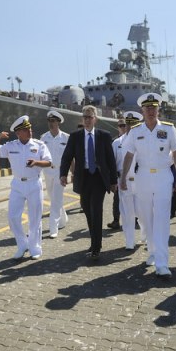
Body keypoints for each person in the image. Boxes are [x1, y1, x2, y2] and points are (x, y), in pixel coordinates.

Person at [121, 93, 176, 278]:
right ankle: (152, 251)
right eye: (147, 108)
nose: (150, 110)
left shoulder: (168, 129)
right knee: (146, 218)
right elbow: (129, 155)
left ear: (158, 109)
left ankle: (162, 264)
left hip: (163, 176)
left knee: (162, 219)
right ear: (142, 110)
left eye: (153, 107)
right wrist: (123, 177)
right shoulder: (135, 131)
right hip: (143, 176)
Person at [60, 105, 118, 260]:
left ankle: (96, 248)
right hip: (83, 177)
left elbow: (110, 160)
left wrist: (113, 181)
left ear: (95, 119)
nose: (87, 120)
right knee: (86, 209)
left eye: (89, 117)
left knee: (96, 210)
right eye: (84, 117)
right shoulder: (75, 136)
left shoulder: (104, 136)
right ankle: (94, 240)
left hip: (99, 177)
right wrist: (63, 174)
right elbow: (67, 156)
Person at [0, 115, 52, 260]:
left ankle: (35, 248)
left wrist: (36, 162)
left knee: (35, 218)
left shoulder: (39, 145)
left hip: (34, 183)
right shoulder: (11, 146)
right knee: (13, 217)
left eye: (29, 128)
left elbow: (49, 162)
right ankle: (22, 244)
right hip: (17, 185)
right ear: (18, 133)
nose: (30, 131)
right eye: (26, 129)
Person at [113, 111, 143, 250]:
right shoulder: (117, 143)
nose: (130, 127)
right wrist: (114, 181)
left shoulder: (144, 140)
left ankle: (145, 235)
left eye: (133, 124)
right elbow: (113, 163)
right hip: (124, 181)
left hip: (141, 181)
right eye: (128, 124)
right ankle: (129, 242)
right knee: (127, 214)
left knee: (143, 212)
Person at [40, 110, 70, 238]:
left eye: (53, 121)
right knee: (53, 198)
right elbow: (40, 156)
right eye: (49, 121)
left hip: (60, 171)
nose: (51, 123)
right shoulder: (43, 137)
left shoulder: (66, 137)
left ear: (58, 122)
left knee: (56, 198)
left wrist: (72, 173)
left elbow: (70, 157)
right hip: (47, 171)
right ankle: (63, 219)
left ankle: (53, 228)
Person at [107, 119, 128, 230]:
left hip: (133, 176)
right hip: (120, 176)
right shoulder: (115, 142)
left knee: (135, 199)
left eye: (125, 125)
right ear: (118, 127)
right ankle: (116, 220)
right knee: (117, 200)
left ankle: (135, 219)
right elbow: (112, 162)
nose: (123, 127)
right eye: (121, 126)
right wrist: (113, 180)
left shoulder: (135, 140)